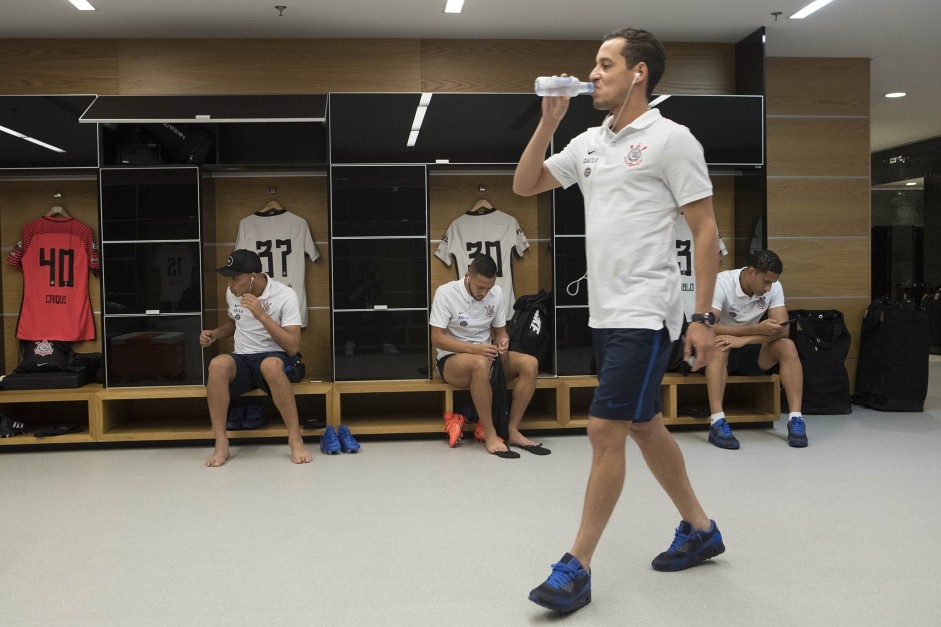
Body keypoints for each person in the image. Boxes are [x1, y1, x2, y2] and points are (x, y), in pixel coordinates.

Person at [513, 27, 724, 612]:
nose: (594, 73)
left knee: (604, 429)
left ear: (639, 73)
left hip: (648, 310)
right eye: (594, 64)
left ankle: (575, 568)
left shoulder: (670, 139)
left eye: (605, 64)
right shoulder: (587, 143)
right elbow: (526, 183)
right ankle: (701, 529)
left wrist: (703, 316)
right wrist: (548, 122)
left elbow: (705, 230)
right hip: (605, 313)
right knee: (643, 426)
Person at [429, 254, 549, 458]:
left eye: (489, 288)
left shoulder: (497, 293)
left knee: (530, 363)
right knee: (478, 363)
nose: (484, 293)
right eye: (480, 288)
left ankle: (512, 431)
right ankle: (491, 434)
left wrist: (504, 342)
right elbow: (437, 338)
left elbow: (500, 331)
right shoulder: (446, 293)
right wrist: (475, 349)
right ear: (468, 275)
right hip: (453, 360)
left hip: (487, 356)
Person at [200, 249, 311, 467]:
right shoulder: (233, 293)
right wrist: (215, 333)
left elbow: (292, 346)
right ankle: (221, 443)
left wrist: (261, 314)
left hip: (275, 356)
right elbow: (233, 323)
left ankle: (295, 439)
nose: (231, 284)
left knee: (270, 365)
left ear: (252, 277)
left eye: (235, 278)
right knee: (218, 364)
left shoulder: (285, 294)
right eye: (229, 279)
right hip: (242, 358)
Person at [705, 250, 808, 449]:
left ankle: (796, 419)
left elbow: (783, 330)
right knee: (719, 346)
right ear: (751, 271)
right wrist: (752, 329)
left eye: (772, 283)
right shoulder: (721, 283)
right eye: (765, 282)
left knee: (787, 346)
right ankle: (717, 422)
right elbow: (707, 326)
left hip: (749, 347)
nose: (768, 288)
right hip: (720, 346)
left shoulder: (774, 287)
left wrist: (746, 339)